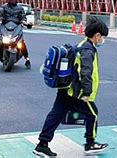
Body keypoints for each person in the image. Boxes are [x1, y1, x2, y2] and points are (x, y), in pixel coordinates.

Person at [33, 17, 109, 157]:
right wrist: (87, 92)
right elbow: (86, 72)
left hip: (65, 88)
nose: (103, 40)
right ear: (97, 36)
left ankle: (42, 144)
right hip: (77, 92)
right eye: (102, 37)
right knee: (92, 113)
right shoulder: (88, 51)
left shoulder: (82, 44)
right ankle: (90, 143)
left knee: (55, 114)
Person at [0, 0, 31, 69]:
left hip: (16, 27)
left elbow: (23, 17)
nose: (13, 0)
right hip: (5, 26)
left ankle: (27, 59)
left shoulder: (20, 8)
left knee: (21, 43)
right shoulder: (4, 7)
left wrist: (26, 23)